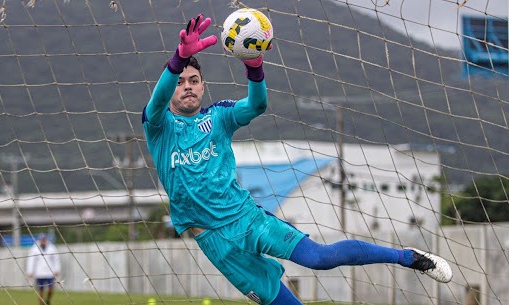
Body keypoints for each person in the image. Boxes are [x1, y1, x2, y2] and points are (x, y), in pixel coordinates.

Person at [141, 14, 453, 305]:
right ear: (170, 91)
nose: (187, 87)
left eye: (193, 80)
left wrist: (255, 67)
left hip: (246, 218)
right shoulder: (159, 125)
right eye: (180, 82)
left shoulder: (219, 116)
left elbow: (257, 105)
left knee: (320, 258)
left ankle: (408, 257)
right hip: (214, 242)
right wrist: (178, 59)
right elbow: (156, 101)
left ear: (203, 85)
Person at [26, 234, 61, 305]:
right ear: (40, 240)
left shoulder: (52, 248)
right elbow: (31, 260)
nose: (43, 241)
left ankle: (48, 300)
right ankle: (41, 303)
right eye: (42, 240)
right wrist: (30, 271)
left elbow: (56, 259)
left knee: (50, 289)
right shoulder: (34, 248)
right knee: (40, 290)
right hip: (39, 273)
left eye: (44, 240)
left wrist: (57, 269)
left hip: (50, 272)